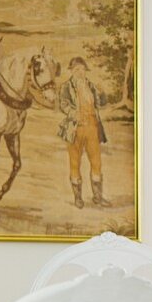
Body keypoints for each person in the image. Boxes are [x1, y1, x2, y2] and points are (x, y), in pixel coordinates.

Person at [58, 56, 110, 208]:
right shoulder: (66, 87)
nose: (80, 72)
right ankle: (78, 198)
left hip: (93, 128)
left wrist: (101, 93)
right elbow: (63, 105)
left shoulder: (91, 86)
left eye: (82, 69)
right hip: (75, 130)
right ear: (72, 71)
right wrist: (75, 114)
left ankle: (98, 197)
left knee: (96, 162)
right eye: (76, 69)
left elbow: (102, 104)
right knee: (75, 163)